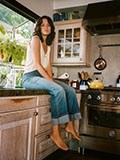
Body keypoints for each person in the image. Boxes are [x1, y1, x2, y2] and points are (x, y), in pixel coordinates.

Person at [22, 15, 82, 151]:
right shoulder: (35, 39)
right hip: (30, 77)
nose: (46, 27)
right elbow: (37, 65)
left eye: (48, 25)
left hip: (41, 76)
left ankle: (70, 124)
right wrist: (52, 82)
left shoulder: (48, 45)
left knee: (70, 90)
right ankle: (56, 132)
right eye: (43, 25)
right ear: (38, 27)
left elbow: (48, 67)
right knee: (58, 90)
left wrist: (52, 79)